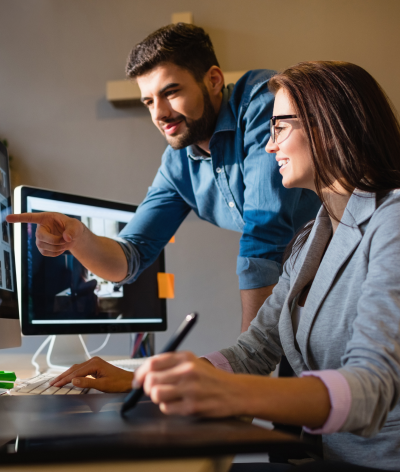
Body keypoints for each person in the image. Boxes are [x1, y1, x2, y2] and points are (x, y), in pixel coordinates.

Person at [50, 61, 400, 470]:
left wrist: (231, 394)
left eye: (279, 128)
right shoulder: (311, 241)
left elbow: (376, 388)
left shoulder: (391, 222)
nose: (269, 147)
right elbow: (255, 349)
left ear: (327, 126)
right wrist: (145, 380)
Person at [7, 23, 321, 331]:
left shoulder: (263, 100)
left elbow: (264, 235)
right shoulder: (176, 165)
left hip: (349, 262)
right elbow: (130, 257)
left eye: (170, 93)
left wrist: (248, 362)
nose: (159, 113)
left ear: (213, 80)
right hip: (300, 289)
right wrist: (78, 238)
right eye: (149, 101)